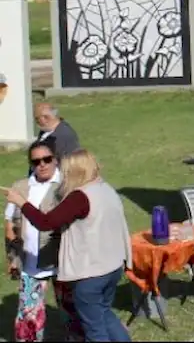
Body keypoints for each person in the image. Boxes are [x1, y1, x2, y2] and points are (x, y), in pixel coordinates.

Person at [2, 149, 132, 343]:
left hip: (91, 275)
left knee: (95, 331)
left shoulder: (80, 196)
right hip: (112, 268)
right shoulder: (105, 188)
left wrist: (21, 202)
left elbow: (45, 223)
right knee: (105, 315)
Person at [4, 140, 82, 342]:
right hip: (30, 264)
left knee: (73, 314)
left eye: (47, 159)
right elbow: (10, 224)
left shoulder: (67, 187)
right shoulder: (20, 187)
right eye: (36, 161)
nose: (42, 165)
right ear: (31, 164)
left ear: (55, 160)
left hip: (63, 263)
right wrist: (12, 257)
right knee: (28, 319)